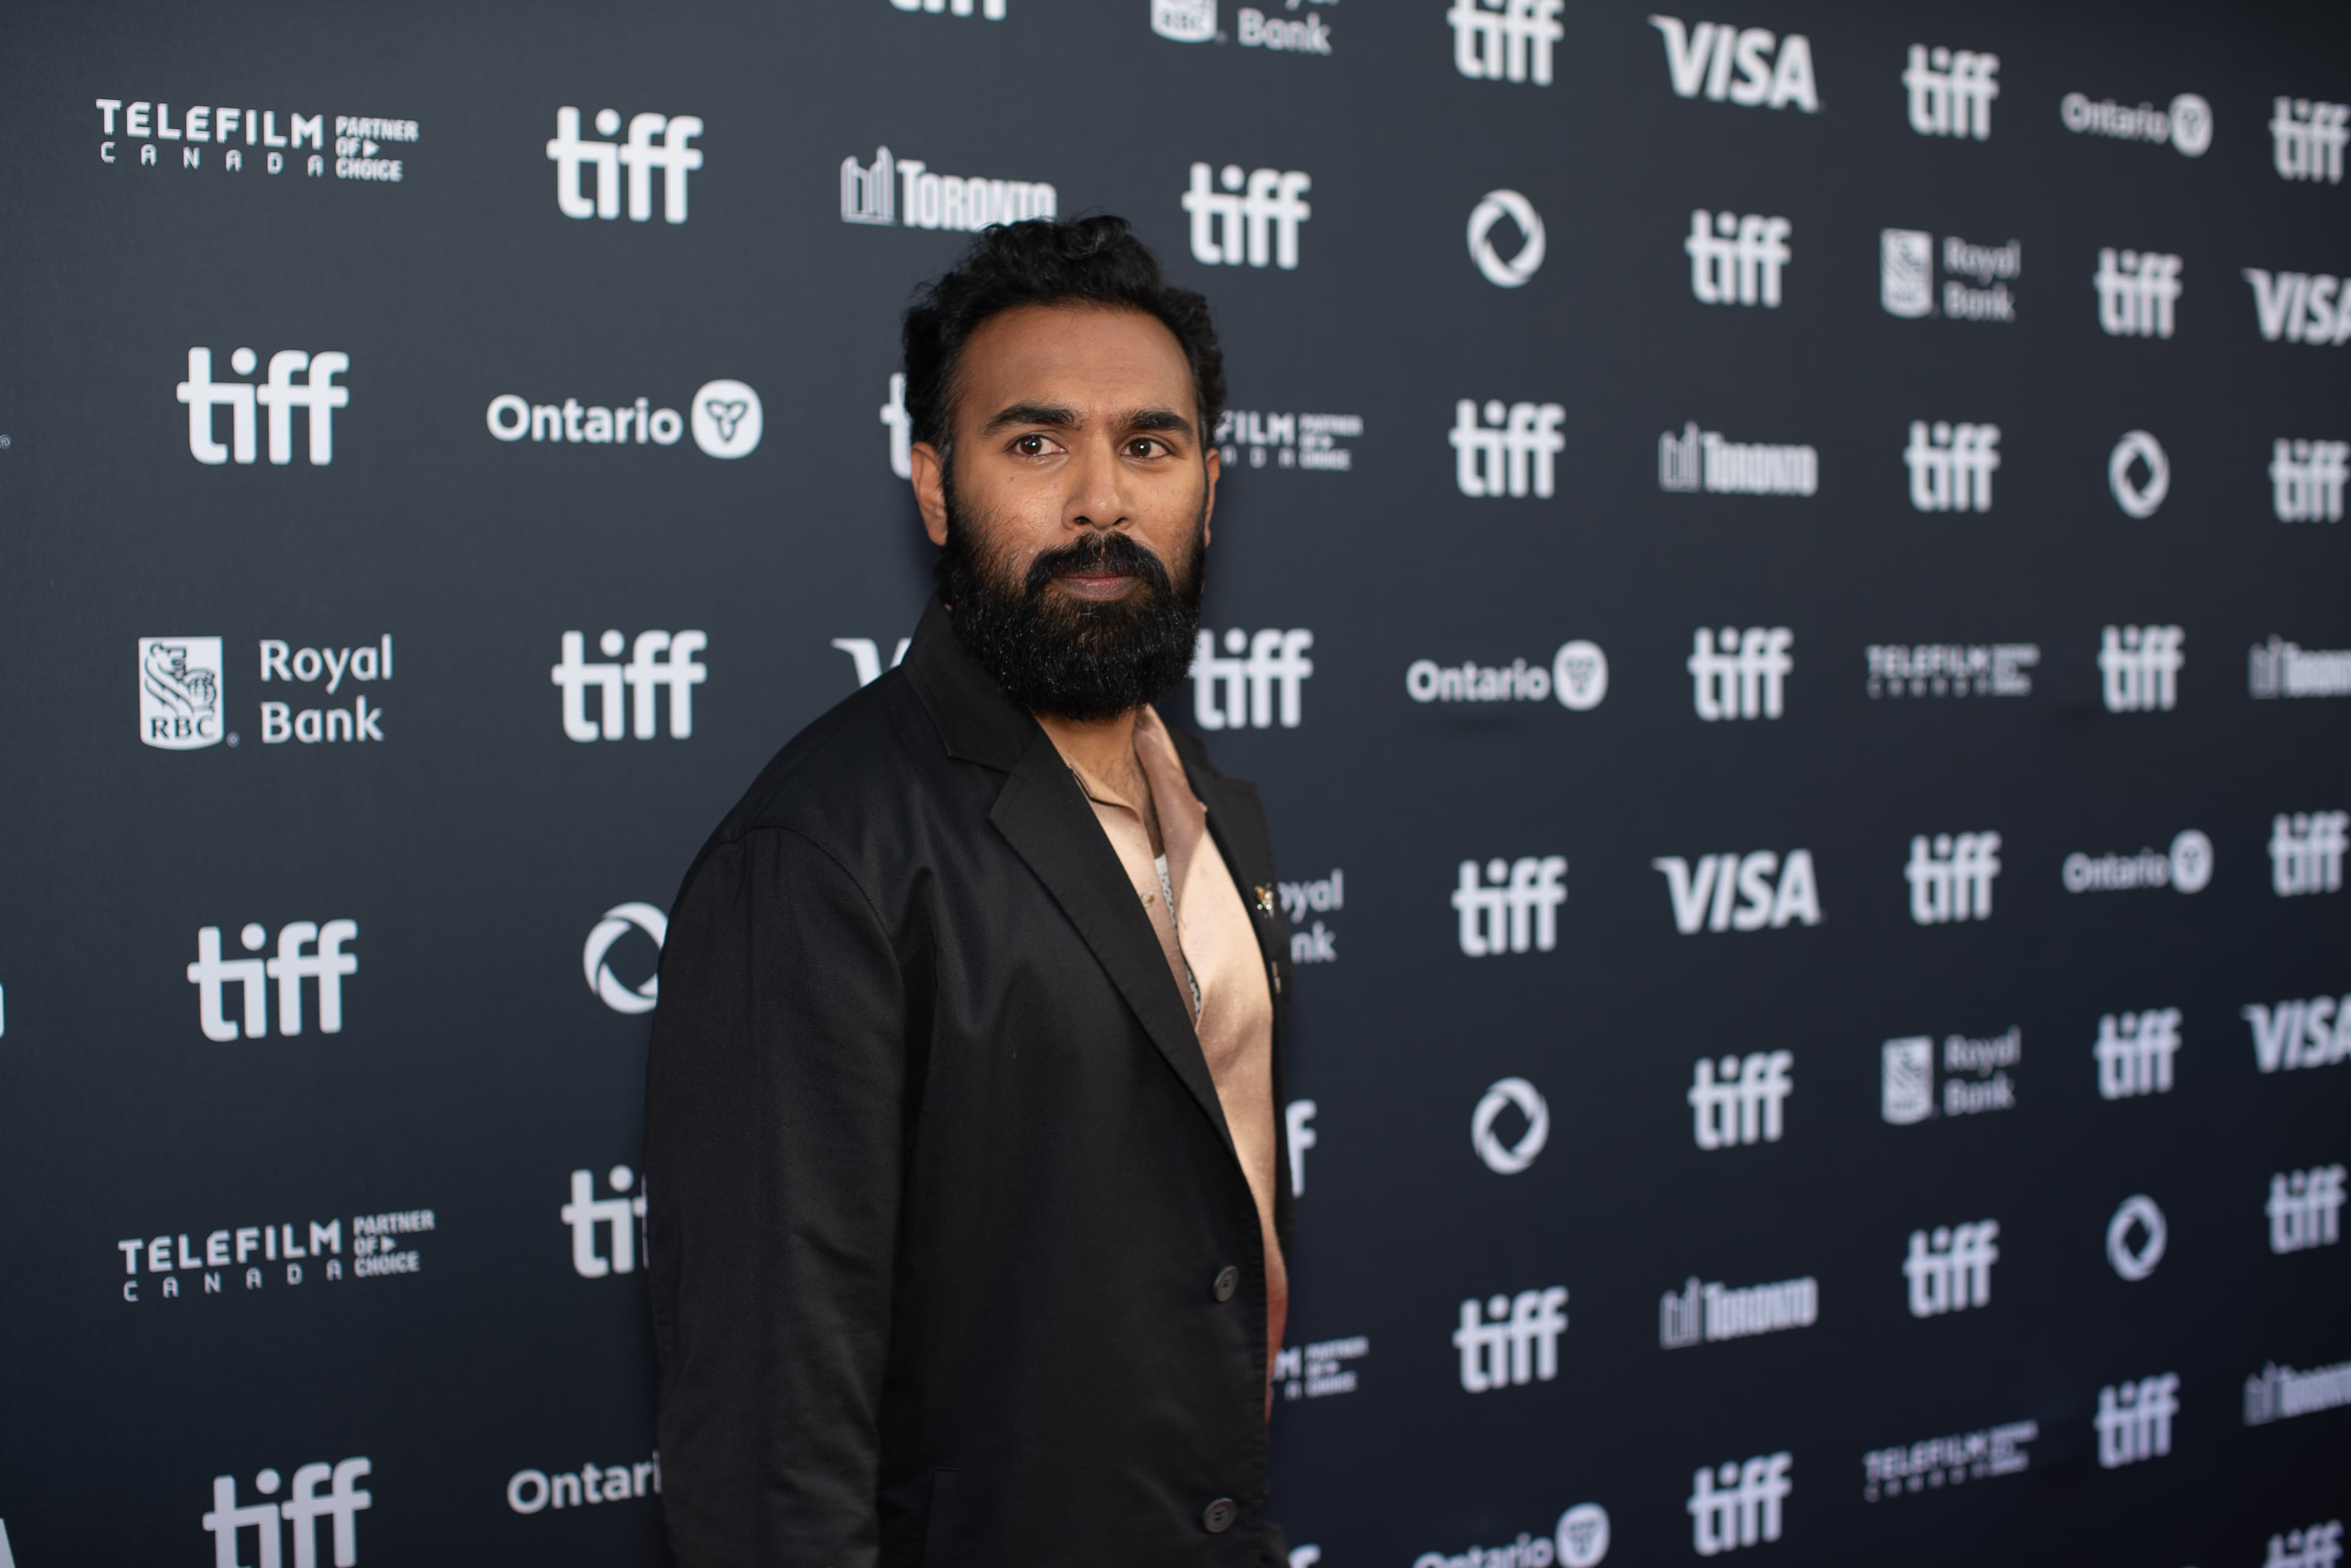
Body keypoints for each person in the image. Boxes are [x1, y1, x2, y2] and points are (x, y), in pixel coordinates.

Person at [646, 215, 1294, 1566]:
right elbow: (774, 1456)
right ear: (936, 488)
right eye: (1037, 443)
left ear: (1212, 489)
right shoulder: (822, 855)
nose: (1103, 502)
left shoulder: (1224, 816)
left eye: (1152, 446)